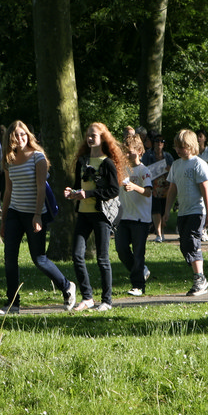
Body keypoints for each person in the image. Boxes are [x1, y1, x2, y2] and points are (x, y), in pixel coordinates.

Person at [0, 121, 76, 314]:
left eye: (23, 134)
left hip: (34, 214)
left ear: (28, 135)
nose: (20, 138)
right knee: (9, 258)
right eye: (16, 135)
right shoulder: (9, 159)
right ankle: (13, 303)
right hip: (14, 213)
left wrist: (37, 216)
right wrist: (4, 219)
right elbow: (8, 191)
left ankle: (67, 286)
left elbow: (41, 188)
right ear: (10, 138)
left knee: (39, 259)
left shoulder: (37, 157)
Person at [64, 122, 128, 312]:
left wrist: (89, 194)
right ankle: (87, 297)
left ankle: (107, 301)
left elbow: (113, 190)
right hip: (84, 214)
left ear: (103, 138)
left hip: (101, 215)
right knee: (77, 255)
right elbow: (79, 185)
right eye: (88, 135)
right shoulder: (82, 161)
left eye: (94, 135)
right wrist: (72, 192)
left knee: (102, 259)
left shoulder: (107, 162)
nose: (90, 138)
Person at [163, 129, 208, 296]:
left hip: (197, 211)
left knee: (192, 243)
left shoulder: (198, 164)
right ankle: (199, 276)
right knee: (184, 245)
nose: (178, 150)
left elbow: (205, 190)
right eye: (176, 147)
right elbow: (172, 190)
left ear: (191, 146)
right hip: (183, 212)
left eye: (182, 147)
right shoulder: (176, 165)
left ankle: (200, 279)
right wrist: (166, 211)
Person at [116, 134, 153, 296]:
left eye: (129, 151)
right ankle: (141, 271)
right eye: (124, 151)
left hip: (140, 219)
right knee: (121, 250)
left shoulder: (144, 171)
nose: (126, 155)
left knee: (138, 253)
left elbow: (148, 192)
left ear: (139, 151)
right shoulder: (122, 169)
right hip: (123, 217)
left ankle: (138, 286)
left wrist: (134, 187)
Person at [142, 134, 174, 242]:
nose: (159, 143)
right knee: (155, 210)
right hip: (153, 186)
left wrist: (169, 169)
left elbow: (174, 171)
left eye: (162, 141)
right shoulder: (147, 155)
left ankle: (162, 231)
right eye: (157, 141)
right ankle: (159, 233)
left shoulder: (168, 156)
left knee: (164, 209)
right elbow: (143, 168)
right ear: (153, 142)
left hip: (166, 186)